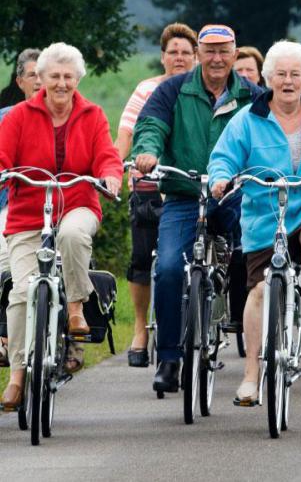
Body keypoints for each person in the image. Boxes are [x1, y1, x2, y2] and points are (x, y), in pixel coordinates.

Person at [208, 40, 301, 402]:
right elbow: (224, 156)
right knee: (259, 291)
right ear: (268, 78)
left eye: (295, 74)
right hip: (264, 211)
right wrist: (221, 178)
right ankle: (251, 374)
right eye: (281, 74)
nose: (288, 81)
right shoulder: (248, 118)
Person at [134, 24, 263, 393]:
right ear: (198, 55)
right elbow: (151, 125)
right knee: (169, 268)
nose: (217, 58)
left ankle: (243, 320)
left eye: (224, 51)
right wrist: (148, 151)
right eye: (210, 51)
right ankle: (169, 358)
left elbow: (270, 135)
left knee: (249, 252)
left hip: (234, 194)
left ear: (235, 53)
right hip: (184, 194)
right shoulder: (173, 90)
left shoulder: (253, 95)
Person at [0, 42, 123, 409]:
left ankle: (75, 308)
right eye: (54, 76)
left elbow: (106, 156)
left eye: (68, 76)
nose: (61, 83)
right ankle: (17, 376)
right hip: (28, 212)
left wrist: (110, 177)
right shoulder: (19, 116)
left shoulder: (93, 114)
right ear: (41, 78)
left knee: (72, 234)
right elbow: (3, 154)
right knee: (21, 292)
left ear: (77, 80)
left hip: (78, 203)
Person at [114, 23, 197, 368]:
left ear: (196, 58)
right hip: (149, 189)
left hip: (189, 190)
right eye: (172, 52)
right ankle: (140, 329)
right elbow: (126, 135)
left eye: (185, 53)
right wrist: (113, 170)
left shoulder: (202, 91)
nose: (179, 58)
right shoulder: (146, 90)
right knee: (142, 260)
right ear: (162, 57)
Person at [0, 48, 42, 368]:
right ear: (20, 82)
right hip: (10, 207)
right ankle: (5, 338)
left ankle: (70, 336)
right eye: (32, 75)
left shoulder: (65, 117)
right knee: (5, 265)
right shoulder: (5, 118)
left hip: (53, 206)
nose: (39, 81)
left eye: (45, 74)